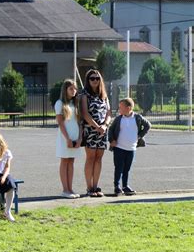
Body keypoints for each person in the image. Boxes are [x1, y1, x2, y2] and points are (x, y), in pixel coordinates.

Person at [108, 98, 151, 196]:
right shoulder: (119, 119)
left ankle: (125, 186)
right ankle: (117, 186)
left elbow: (148, 125)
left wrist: (139, 136)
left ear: (129, 108)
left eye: (121, 107)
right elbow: (111, 130)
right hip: (119, 147)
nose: (119, 110)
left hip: (131, 148)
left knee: (127, 168)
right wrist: (111, 140)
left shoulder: (137, 117)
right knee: (118, 167)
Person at [80, 69, 112, 197]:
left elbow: (109, 113)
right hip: (91, 130)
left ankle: (95, 186)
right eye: (92, 78)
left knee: (99, 158)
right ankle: (89, 188)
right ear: (88, 80)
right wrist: (97, 126)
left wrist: (105, 125)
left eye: (97, 78)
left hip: (102, 131)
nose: (95, 80)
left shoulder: (104, 95)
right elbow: (85, 113)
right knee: (90, 158)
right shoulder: (84, 94)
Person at [55, 79, 82, 199]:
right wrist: (68, 139)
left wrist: (80, 138)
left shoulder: (76, 104)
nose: (74, 91)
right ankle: (65, 189)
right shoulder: (60, 104)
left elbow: (80, 123)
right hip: (65, 137)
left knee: (71, 161)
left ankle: (70, 188)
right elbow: (60, 123)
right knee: (65, 161)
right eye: (71, 88)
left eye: (75, 88)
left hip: (75, 136)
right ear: (65, 90)